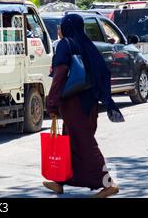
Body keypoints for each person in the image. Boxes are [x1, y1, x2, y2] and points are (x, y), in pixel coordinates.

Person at [44, 14, 124, 198]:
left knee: (85, 144)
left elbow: (60, 75)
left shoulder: (65, 45)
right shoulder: (87, 44)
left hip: (74, 104)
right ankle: (60, 181)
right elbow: (101, 72)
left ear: (67, 27)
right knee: (71, 142)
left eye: (60, 26)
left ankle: (109, 184)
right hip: (89, 103)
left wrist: (51, 102)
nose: (58, 30)